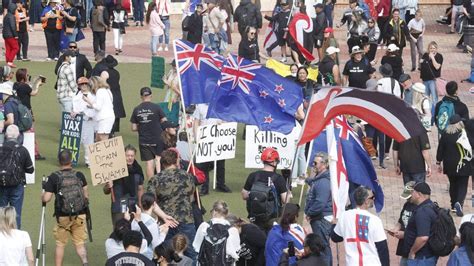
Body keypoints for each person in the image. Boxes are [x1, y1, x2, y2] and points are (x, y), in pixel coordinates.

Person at [146, 149, 197, 261]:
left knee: (164, 254)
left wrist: (163, 215)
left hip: (165, 223)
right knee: (190, 253)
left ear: (162, 163)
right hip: (186, 220)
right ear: (176, 161)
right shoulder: (188, 176)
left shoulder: (156, 179)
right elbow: (191, 197)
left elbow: (150, 202)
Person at [41, 150, 89, 266]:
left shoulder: (54, 177)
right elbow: (86, 195)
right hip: (80, 213)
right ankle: (85, 262)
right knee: (80, 243)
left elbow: (46, 198)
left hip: (62, 216)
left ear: (59, 161)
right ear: (71, 160)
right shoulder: (79, 175)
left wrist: (42, 194)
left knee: (60, 243)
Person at [331, 186, 390, 266]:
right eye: (372, 197)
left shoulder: (344, 216)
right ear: (366, 201)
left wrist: (334, 224)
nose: (373, 199)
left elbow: (335, 237)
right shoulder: (374, 220)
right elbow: (382, 249)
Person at [242, 147, 290, 232]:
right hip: (272, 219)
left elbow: (244, 195)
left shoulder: (253, 176)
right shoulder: (279, 178)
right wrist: (289, 193)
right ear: (275, 162)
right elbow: (285, 200)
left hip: (255, 217)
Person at [437, 114, 472, 217]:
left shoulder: (445, 134)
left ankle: (453, 205)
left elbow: (440, 149)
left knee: (453, 184)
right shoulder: (464, 134)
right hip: (463, 164)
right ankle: (459, 202)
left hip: (449, 165)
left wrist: (438, 162)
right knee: (462, 184)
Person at [0, 125, 34, 229]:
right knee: (16, 214)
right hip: (17, 185)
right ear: (18, 135)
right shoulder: (22, 150)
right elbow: (30, 169)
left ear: (6, 135)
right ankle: (16, 237)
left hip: (1, 185)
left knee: (1, 213)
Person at [193, 103, 231, 194]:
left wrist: (223, 124)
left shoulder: (221, 104)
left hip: (219, 138)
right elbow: (196, 122)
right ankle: (204, 187)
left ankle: (221, 184)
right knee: (204, 164)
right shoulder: (200, 106)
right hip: (205, 139)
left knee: (220, 163)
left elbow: (228, 120)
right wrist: (196, 136)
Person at [103, 144, 145, 225]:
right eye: (128, 155)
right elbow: (106, 191)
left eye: (132, 156)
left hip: (133, 205)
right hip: (118, 206)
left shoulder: (138, 169)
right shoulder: (115, 170)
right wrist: (109, 186)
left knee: (133, 230)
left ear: (135, 156)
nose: (130, 158)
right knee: (119, 231)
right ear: (123, 156)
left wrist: (140, 204)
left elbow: (140, 188)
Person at [131, 87, 167, 178]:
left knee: (149, 162)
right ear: (151, 96)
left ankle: (152, 183)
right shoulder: (156, 107)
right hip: (158, 139)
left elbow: (134, 127)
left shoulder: (137, 109)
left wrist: (142, 125)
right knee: (158, 160)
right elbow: (164, 120)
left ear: (141, 97)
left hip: (144, 140)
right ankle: (160, 181)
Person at [304, 152, 333, 265]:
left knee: (322, 248)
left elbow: (320, 203)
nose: (313, 165)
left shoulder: (324, 182)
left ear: (324, 164)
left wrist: (309, 213)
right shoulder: (321, 178)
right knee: (323, 247)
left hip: (321, 219)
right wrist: (308, 179)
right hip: (321, 218)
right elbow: (315, 183)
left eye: (315, 163)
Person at [402, 182, 438, 265]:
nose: (411, 194)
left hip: (421, 258)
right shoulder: (431, 205)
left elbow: (423, 238)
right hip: (426, 257)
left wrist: (412, 251)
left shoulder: (423, 211)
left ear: (419, 194)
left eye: (413, 192)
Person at [13, 68, 46, 160]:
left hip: (18, 111)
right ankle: (35, 153)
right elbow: (34, 93)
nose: (28, 76)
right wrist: (38, 84)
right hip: (26, 112)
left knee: (19, 132)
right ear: (23, 78)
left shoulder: (15, 85)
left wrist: (34, 82)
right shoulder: (25, 87)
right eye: (27, 75)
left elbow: (27, 87)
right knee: (31, 132)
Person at [131, 193, 169, 260]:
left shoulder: (135, 219)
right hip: (146, 258)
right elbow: (155, 246)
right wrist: (163, 233)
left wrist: (159, 230)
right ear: (154, 204)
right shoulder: (152, 223)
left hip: (135, 255)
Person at [389, 181, 418, 266]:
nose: (407, 199)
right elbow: (401, 221)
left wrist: (405, 234)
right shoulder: (407, 205)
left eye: (409, 197)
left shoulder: (421, 209)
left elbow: (421, 233)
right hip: (405, 247)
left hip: (415, 249)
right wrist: (395, 229)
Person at [71, 77, 95, 166]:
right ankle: (72, 160)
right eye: (82, 84)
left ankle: (89, 162)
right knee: (76, 141)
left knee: (89, 143)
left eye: (85, 84)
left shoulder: (93, 96)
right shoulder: (76, 97)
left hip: (89, 122)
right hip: (79, 122)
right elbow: (75, 109)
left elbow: (94, 110)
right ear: (79, 86)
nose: (84, 85)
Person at [83, 76, 115, 141]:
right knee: (99, 137)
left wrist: (88, 101)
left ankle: (106, 151)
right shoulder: (107, 90)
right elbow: (105, 103)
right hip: (108, 117)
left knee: (102, 138)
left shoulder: (100, 91)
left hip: (104, 118)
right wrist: (91, 105)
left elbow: (98, 107)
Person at [102, 55, 125, 137]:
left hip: (109, 94)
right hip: (117, 93)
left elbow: (102, 84)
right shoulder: (117, 72)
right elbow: (118, 83)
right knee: (116, 113)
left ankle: (109, 131)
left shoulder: (105, 73)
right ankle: (113, 131)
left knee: (108, 113)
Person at [420, 41, 443, 106]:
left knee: (434, 97)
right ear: (428, 49)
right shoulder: (425, 55)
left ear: (436, 49)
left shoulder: (439, 56)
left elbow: (437, 67)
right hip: (425, 79)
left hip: (433, 80)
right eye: (431, 48)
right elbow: (422, 63)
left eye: (434, 48)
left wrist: (432, 58)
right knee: (425, 97)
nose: (432, 49)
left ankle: (434, 110)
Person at [3, 3, 20, 68]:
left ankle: (8, 62)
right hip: (11, 35)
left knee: (8, 49)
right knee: (16, 48)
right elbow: (13, 26)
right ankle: (10, 62)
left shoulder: (6, 16)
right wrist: (15, 35)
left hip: (5, 35)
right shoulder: (12, 16)